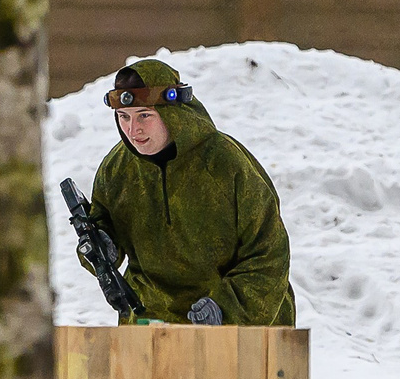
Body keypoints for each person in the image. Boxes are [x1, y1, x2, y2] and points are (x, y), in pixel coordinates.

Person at [81, 58, 296, 326]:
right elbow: (103, 227)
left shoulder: (226, 164)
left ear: (173, 113)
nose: (133, 130)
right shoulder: (116, 170)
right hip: (151, 324)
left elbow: (269, 252)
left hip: (240, 329)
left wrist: (226, 308)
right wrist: (102, 246)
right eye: (124, 117)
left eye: (144, 116)